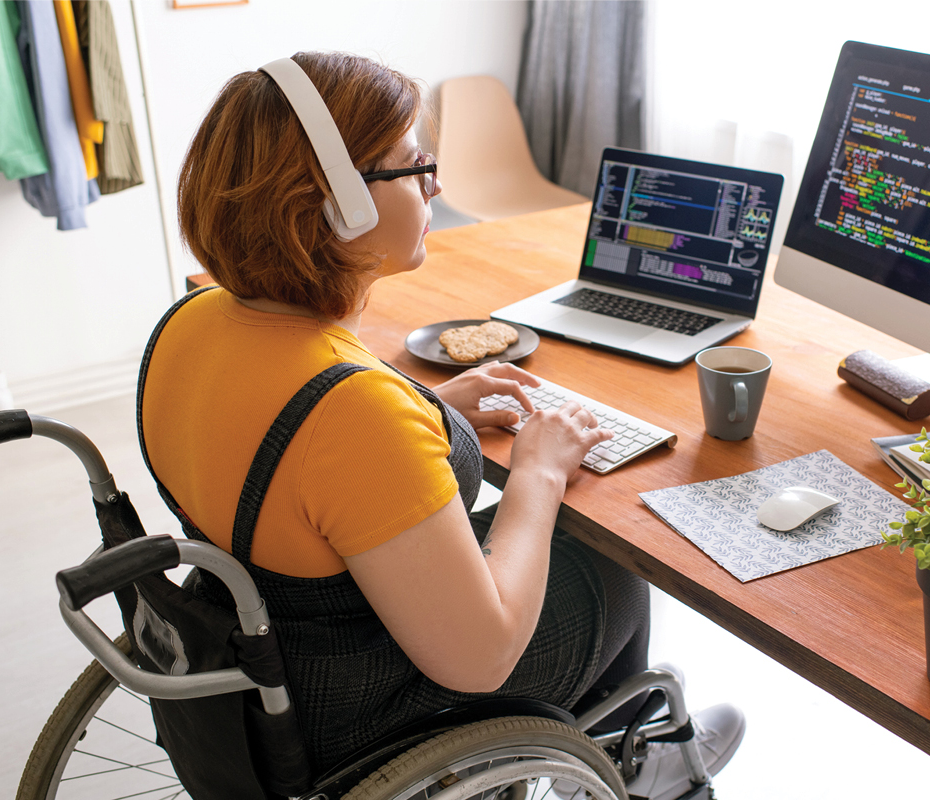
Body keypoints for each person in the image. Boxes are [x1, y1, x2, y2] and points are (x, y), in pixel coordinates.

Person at [139, 51, 743, 798]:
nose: (437, 185)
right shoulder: (353, 411)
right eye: (415, 166)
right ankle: (642, 762)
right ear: (337, 204)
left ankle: (631, 747)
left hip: (257, 651)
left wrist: (429, 411)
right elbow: (480, 659)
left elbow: (290, 456)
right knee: (610, 560)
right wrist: (539, 471)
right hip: (352, 707)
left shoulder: (192, 320)